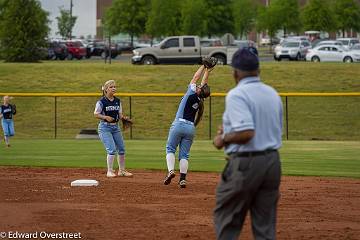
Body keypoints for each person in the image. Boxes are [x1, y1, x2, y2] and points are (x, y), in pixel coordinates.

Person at [212, 48, 283, 240]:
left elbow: (247, 133)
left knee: (227, 218)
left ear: (235, 72)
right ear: (258, 70)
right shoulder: (272, 93)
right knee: (265, 226)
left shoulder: (237, 94)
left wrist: (223, 138)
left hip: (247, 163)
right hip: (273, 163)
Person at [163, 65, 212, 188]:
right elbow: (204, 84)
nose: (198, 86)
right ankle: (183, 179)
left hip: (179, 124)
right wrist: (208, 71)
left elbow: (196, 78)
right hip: (190, 128)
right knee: (184, 155)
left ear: (198, 90)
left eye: (199, 87)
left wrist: (203, 66)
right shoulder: (201, 99)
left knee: (170, 149)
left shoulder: (190, 93)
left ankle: (170, 171)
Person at [94, 80, 133, 178]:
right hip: (104, 127)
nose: (114, 88)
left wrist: (124, 118)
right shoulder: (101, 102)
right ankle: (110, 171)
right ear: (106, 89)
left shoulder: (117, 101)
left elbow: (119, 114)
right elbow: (96, 114)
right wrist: (105, 117)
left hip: (116, 127)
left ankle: (122, 171)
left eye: (115, 86)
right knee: (111, 150)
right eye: (111, 87)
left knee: (122, 149)